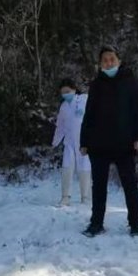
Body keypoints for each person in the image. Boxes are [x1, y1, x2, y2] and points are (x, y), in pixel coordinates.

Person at [80, 45, 138, 237]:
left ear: (119, 60)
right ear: (100, 64)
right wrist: (84, 141)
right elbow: (89, 114)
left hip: (124, 144)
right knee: (98, 187)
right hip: (98, 145)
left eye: (112, 59)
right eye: (105, 60)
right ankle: (96, 223)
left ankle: (135, 223)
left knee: (130, 185)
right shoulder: (96, 85)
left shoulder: (130, 82)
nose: (108, 63)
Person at [52, 78, 91, 206]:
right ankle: (65, 196)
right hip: (69, 142)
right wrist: (55, 141)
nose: (66, 94)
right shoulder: (63, 107)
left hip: (84, 142)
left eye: (68, 91)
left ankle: (86, 197)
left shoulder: (84, 99)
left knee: (84, 167)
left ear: (74, 90)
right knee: (67, 167)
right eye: (63, 93)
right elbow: (60, 126)